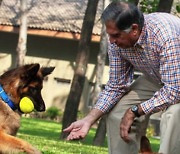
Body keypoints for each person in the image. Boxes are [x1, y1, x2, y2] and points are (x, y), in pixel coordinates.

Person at [64, 1, 180, 154]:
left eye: (116, 35)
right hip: (158, 77)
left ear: (134, 29)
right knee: (117, 114)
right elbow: (116, 86)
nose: (111, 41)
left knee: (174, 114)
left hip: (175, 84)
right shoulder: (117, 43)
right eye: (110, 35)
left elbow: (174, 91)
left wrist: (134, 111)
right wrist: (89, 120)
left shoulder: (166, 36)